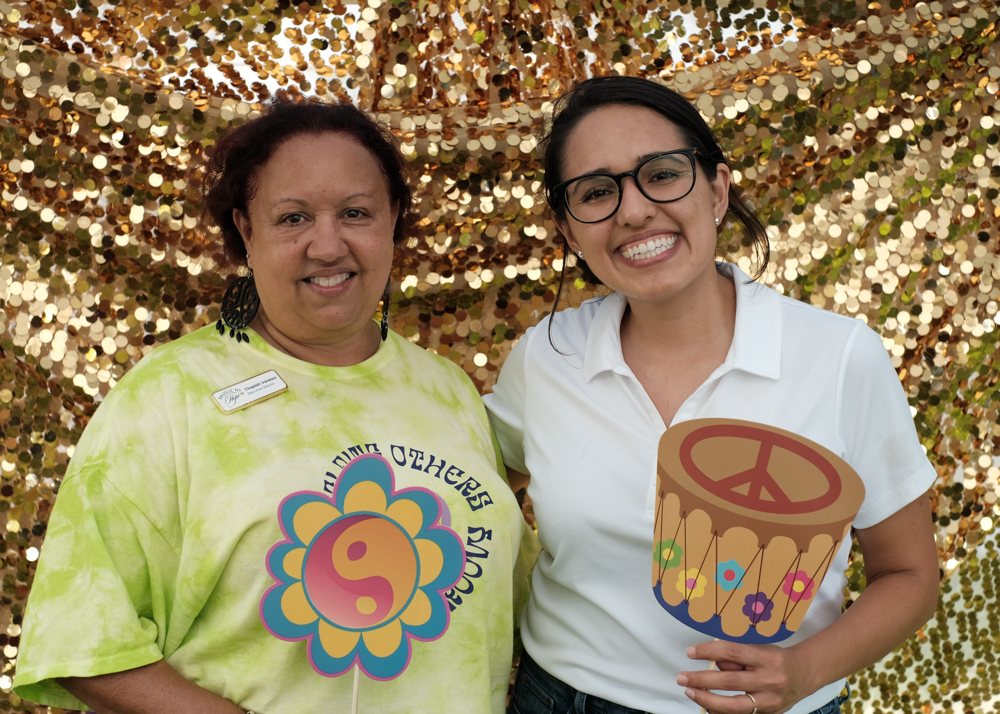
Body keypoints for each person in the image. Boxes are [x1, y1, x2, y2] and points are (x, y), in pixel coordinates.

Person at [15, 99, 534, 713]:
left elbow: (502, 595)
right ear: (245, 229)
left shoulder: (447, 391)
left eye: (356, 212)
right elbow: (85, 643)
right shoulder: (167, 398)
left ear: (392, 219)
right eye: (292, 218)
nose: (327, 244)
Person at [484, 76, 939, 714]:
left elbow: (911, 577)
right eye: (595, 192)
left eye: (662, 175)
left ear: (718, 189)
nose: (634, 210)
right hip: (560, 698)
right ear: (567, 231)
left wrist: (804, 670)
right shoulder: (547, 355)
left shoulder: (837, 356)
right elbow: (473, 495)